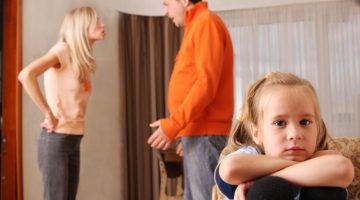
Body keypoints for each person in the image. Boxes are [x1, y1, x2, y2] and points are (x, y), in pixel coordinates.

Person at [215, 71, 354, 200]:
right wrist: (300, 166)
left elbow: (343, 168)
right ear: (256, 133)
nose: (295, 134)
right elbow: (230, 169)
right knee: (270, 187)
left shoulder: (320, 159)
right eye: (280, 123)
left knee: (327, 190)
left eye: (305, 122)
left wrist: (271, 175)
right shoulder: (252, 156)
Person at [147, 0, 234, 199]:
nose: (165, 12)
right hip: (197, 133)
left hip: (204, 134)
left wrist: (174, 125)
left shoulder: (206, 23)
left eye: (167, 4)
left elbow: (206, 85)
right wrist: (185, 131)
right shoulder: (197, 26)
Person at [18, 7, 105, 200]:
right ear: (82, 26)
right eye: (97, 21)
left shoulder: (81, 59)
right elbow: (26, 75)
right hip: (56, 140)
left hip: (73, 140)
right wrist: (48, 113)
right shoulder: (62, 50)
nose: (102, 24)